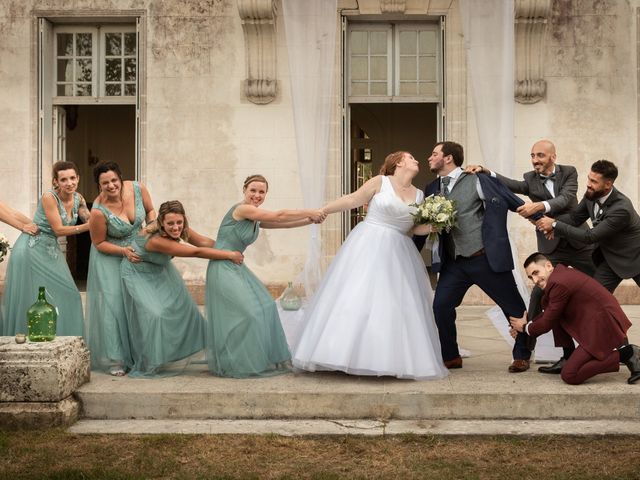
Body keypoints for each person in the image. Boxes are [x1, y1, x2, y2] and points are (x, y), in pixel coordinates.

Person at [293, 151, 449, 380]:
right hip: (369, 242)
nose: (417, 160)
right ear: (398, 162)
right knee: (356, 295)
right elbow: (352, 199)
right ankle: (337, 353)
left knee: (393, 302)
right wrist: (323, 210)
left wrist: (434, 226)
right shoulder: (381, 182)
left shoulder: (419, 195)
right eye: (411, 157)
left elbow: (414, 228)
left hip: (399, 250)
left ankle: (386, 357)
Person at [467, 139, 594, 374]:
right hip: (550, 245)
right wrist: (487, 171)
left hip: (577, 241)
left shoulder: (569, 172)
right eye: (532, 156)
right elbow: (513, 185)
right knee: (538, 293)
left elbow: (566, 200)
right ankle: (524, 353)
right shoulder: (530, 177)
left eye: (540, 156)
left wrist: (537, 207)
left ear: (553, 156)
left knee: (600, 289)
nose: (535, 160)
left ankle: (618, 346)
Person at [413, 141, 534, 373]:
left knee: (513, 307)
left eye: (434, 153)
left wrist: (540, 220)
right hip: (453, 262)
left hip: (484, 257)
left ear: (448, 158)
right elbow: (424, 223)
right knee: (441, 306)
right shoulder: (431, 188)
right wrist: (408, 250)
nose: (429, 158)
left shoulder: (477, 179)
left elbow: (511, 200)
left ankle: (521, 355)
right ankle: (450, 356)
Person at [205, 174, 326, 378]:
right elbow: (279, 215)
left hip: (236, 265)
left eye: (261, 192)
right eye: (253, 190)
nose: (257, 195)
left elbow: (284, 224)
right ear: (244, 190)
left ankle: (251, 355)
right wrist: (311, 211)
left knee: (267, 307)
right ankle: (234, 358)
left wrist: (310, 220)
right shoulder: (242, 209)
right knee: (249, 312)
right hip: (222, 265)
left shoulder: (254, 218)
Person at [120, 200, 243, 377]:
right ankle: (150, 360)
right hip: (137, 273)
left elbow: (201, 242)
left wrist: (228, 247)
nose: (176, 227)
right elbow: (195, 252)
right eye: (170, 223)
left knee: (186, 310)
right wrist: (229, 255)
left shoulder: (180, 226)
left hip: (158, 270)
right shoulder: (154, 239)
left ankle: (216, 353)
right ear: (161, 222)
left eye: (179, 222)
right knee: (156, 315)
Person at [510, 252, 640, 385]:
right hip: (595, 321)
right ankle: (568, 357)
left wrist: (525, 327)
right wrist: (528, 324)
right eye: (531, 277)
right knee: (553, 310)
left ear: (548, 266)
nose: (535, 280)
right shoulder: (559, 275)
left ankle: (627, 353)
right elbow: (550, 313)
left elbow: (546, 323)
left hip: (602, 327)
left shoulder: (558, 283)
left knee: (570, 375)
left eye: (536, 273)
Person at [1, 161, 90, 336]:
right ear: (56, 182)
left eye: (73, 178)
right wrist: (89, 227)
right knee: (31, 297)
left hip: (50, 250)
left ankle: (62, 340)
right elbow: (59, 230)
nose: (69, 182)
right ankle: (27, 344)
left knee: (70, 295)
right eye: (64, 179)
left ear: (78, 178)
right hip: (31, 249)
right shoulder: (49, 197)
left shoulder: (79, 198)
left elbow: (88, 216)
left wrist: (100, 218)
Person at [86, 162, 156, 376]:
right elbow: (99, 244)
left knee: (141, 303)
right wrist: (124, 251)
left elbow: (151, 210)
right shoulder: (98, 211)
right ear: (99, 185)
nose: (111, 185)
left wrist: (152, 227)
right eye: (104, 183)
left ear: (120, 178)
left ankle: (143, 353)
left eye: (114, 180)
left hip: (139, 252)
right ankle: (116, 359)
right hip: (110, 256)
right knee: (115, 306)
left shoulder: (138, 188)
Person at [536, 159, 640, 293]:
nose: (588, 184)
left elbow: (590, 237)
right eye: (589, 179)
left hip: (636, 256)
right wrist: (551, 224)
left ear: (608, 184)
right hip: (612, 259)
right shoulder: (592, 194)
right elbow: (574, 218)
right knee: (594, 296)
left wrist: (555, 224)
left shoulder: (621, 209)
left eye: (594, 182)